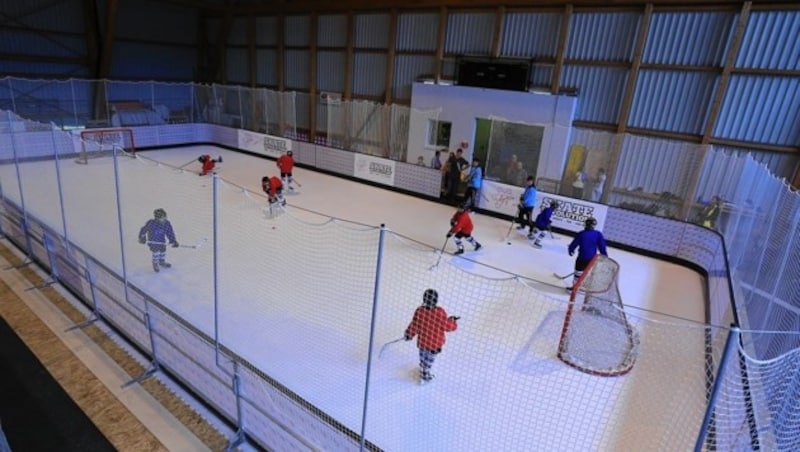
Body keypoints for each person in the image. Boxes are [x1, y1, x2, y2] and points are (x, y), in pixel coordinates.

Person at [404, 289, 459, 383]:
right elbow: (447, 326)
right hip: (435, 344)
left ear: (424, 299)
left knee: (423, 357)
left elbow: (414, 324)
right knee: (430, 359)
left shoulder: (420, 311)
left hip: (422, 342)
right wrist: (453, 321)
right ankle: (425, 374)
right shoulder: (440, 312)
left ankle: (423, 370)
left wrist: (409, 333)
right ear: (436, 300)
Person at [567, 217, 608, 290]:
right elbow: (602, 246)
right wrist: (604, 255)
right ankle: (583, 286)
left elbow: (574, 244)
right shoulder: (598, 234)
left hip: (582, 257)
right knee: (586, 273)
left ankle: (575, 288)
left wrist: (571, 250)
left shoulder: (581, 234)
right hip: (592, 259)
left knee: (578, 273)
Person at [138, 208, 179, 273]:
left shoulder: (167, 223)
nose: (164, 219)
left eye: (165, 217)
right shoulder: (151, 223)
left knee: (163, 251)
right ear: (157, 219)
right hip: (153, 242)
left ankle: (162, 262)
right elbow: (143, 230)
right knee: (156, 252)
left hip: (162, 241)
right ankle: (155, 263)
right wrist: (142, 237)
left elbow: (170, 232)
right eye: (162, 218)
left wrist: (173, 241)